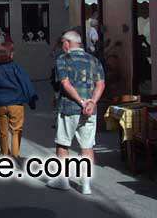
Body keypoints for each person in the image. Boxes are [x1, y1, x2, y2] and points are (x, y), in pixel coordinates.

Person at [47, 30, 105, 195]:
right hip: (90, 110)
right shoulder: (94, 59)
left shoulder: (63, 59)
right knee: (87, 146)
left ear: (67, 43)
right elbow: (100, 84)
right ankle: (86, 185)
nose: (62, 46)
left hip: (69, 108)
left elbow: (65, 84)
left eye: (62, 43)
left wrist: (80, 102)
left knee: (63, 144)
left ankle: (63, 180)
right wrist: (92, 102)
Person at [0, 43, 38, 158]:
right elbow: (26, 84)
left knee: (2, 132)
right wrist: (32, 100)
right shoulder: (15, 67)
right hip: (15, 103)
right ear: (9, 54)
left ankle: (5, 155)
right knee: (16, 131)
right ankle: (15, 156)